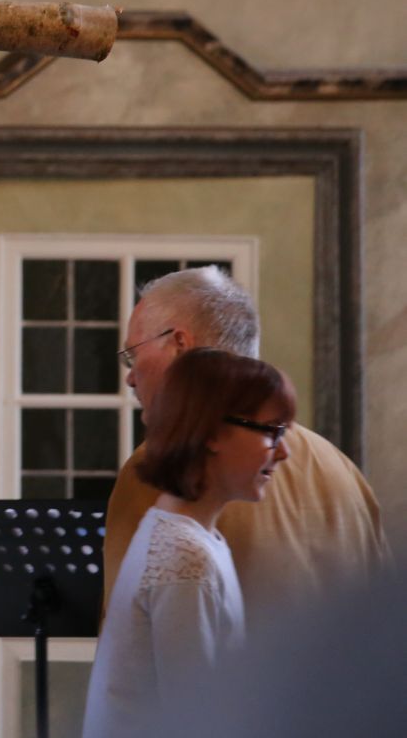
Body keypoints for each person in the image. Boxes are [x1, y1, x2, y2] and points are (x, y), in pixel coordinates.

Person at [106, 266, 390, 628]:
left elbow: (126, 628)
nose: (130, 375)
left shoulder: (163, 466)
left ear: (180, 344)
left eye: (133, 354)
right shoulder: (340, 467)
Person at [83, 348, 294, 738]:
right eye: (271, 430)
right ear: (211, 432)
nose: (283, 451)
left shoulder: (193, 537)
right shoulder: (184, 558)